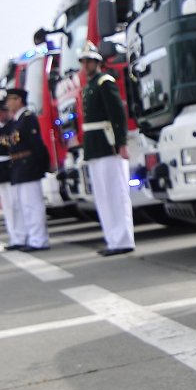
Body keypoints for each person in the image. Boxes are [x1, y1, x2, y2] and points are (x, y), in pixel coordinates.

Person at [79, 42, 135, 256]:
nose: (86, 65)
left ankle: (123, 239)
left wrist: (121, 142)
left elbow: (117, 114)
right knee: (103, 196)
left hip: (107, 144)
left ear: (97, 62)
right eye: (84, 61)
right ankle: (113, 239)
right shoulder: (90, 85)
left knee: (116, 194)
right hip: (94, 147)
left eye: (89, 61)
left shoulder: (105, 82)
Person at [4, 87, 51, 252]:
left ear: (19, 100)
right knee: (23, 206)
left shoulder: (28, 118)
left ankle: (39, 240)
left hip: (29, 165)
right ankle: (31, 237)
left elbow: (36, 144)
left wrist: (43, 164)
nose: (7, 103)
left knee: (33, 205)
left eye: (10, 99)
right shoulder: (17, 120)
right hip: (19, 167)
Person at [0, 99, 24, 249]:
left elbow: (12, 145)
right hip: (0, 171)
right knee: (8, 206)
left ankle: (21, 236)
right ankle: (14, 236)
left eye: (2, 111)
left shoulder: (12, 126)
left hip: (9, 168)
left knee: (15, 204)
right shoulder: (0, 129)